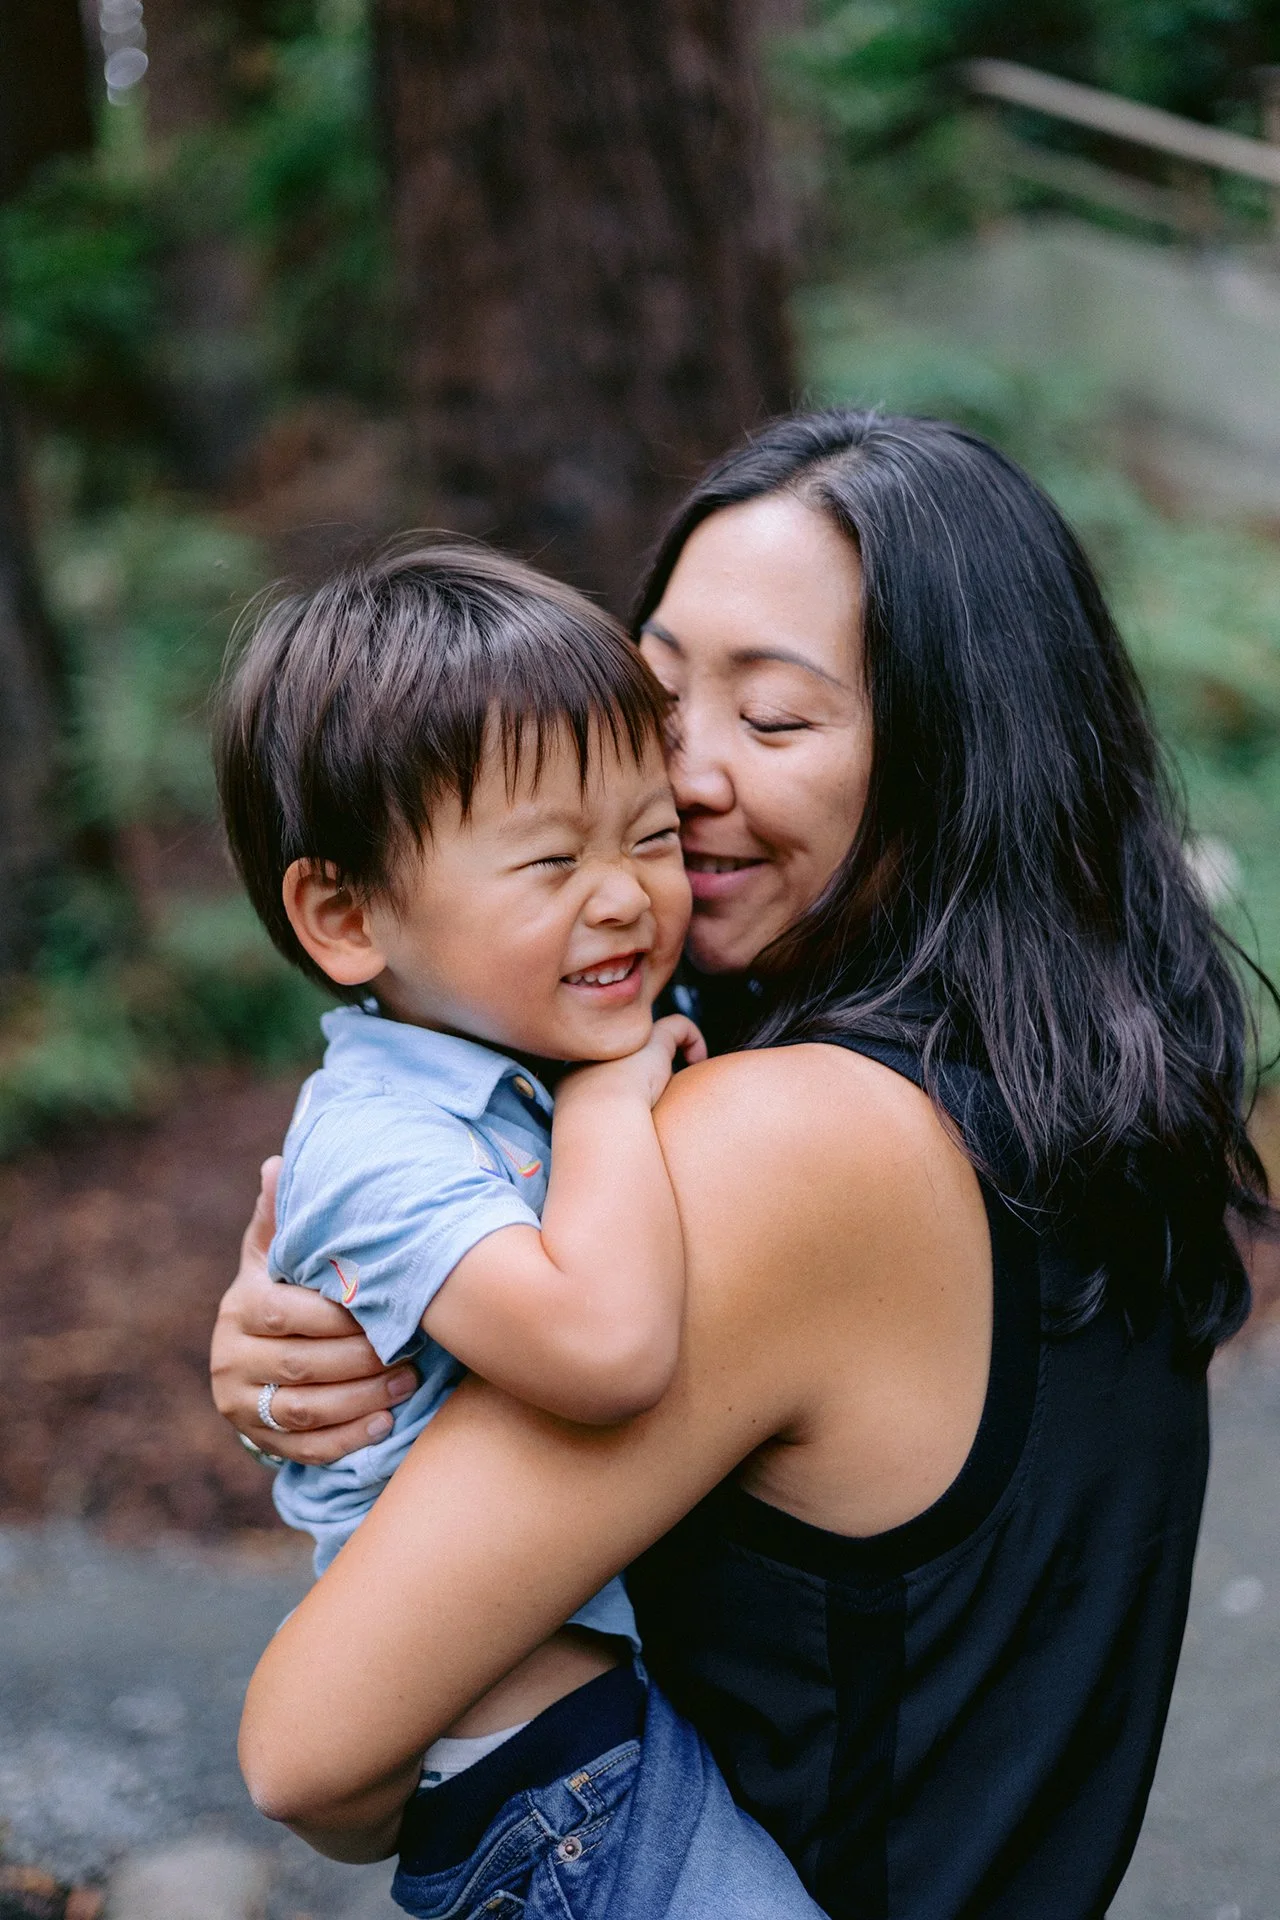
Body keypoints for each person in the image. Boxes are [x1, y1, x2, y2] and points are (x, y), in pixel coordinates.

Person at [215, 410, 1271, 1919]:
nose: (681, 776)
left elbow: (312, 1754)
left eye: (772, 721)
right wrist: (337, 1338)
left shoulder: (781, 1142)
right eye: (654, 700)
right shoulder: (1082, 1113)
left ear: (964, 764)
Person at [213, 543, 825, 1915]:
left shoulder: (551, 1025)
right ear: (346, 913)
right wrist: (610, 1105)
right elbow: (604, 1351)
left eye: (650, 837)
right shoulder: (378, 1142)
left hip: (602, 1731)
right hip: (544, 1786)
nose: (624, 896)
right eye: (551, 860)